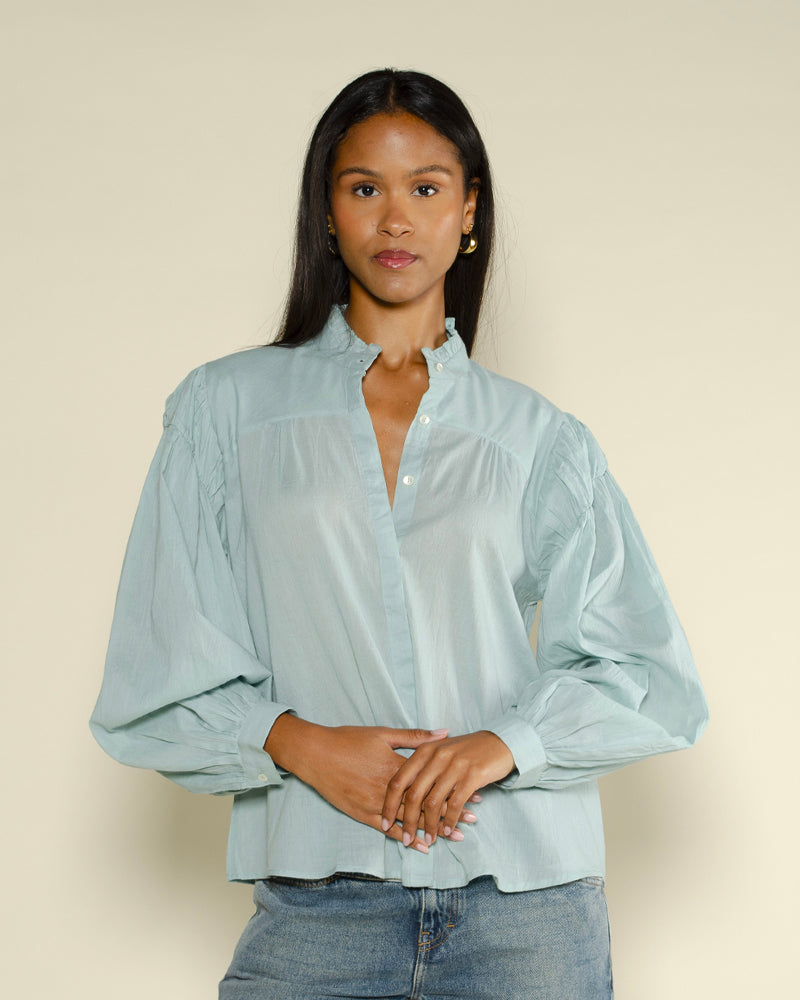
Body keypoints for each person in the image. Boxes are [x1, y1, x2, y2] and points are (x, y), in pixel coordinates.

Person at [90, 69, 708, 999]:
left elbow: (648, 674)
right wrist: (297, 741)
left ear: (469, 212)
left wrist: (504, 744)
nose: (395, 220)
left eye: (425, 188)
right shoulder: (225, 412)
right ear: (326, 211)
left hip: (529, 907)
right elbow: (154, 674)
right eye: (363, 188)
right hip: (319, 900)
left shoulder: (540, 438)